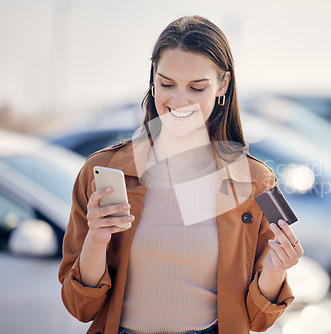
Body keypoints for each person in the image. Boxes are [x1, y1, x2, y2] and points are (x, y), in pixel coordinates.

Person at [58, 15, 303, 334]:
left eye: (196, 87)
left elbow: (259, 320)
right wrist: (97, 238)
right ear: (153, 80)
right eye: (166, 84)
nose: (179, 101)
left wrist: (274, 271)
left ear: (223, 85)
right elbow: (80, 307)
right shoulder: (103, 171)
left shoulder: (256, 180)